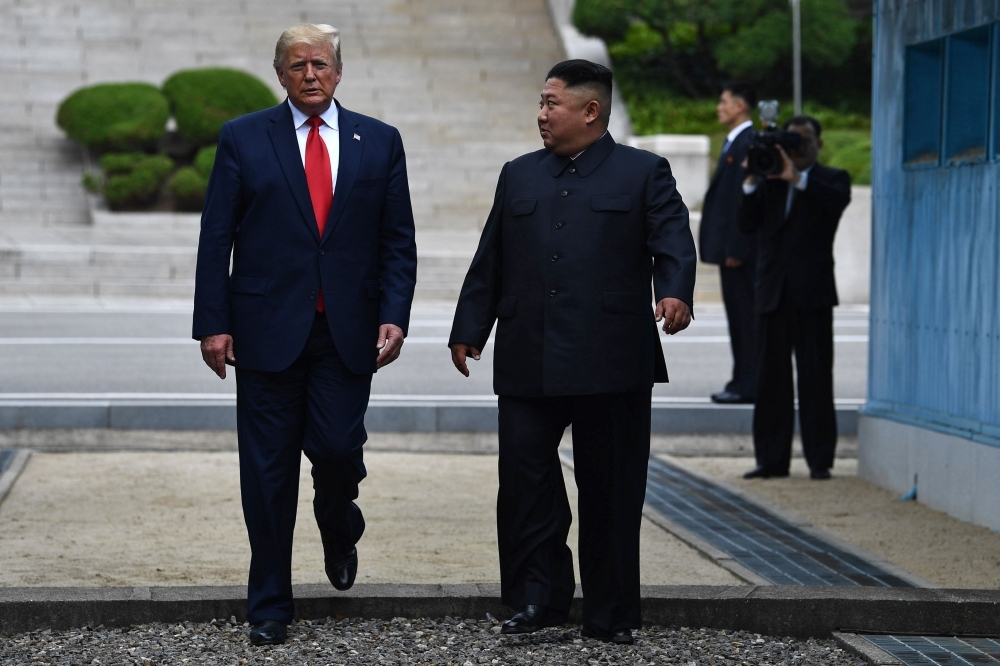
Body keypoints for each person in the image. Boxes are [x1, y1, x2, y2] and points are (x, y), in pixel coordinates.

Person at [448, 60, 696, 645]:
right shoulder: (519, 175)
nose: (540, 114)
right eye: (539, 102)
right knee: (526, 483)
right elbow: (491, 258)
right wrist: (469, 327)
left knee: (611, 489)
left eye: (551, 104)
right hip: (528, 356)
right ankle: (539, 599)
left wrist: (676, 292)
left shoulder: (642, 173)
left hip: (609, 360)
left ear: (590, 111)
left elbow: (673, 237)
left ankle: (610, 613)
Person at [192, 23, 417, 645]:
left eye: (320, 63)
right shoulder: (243, 138)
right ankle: (269, 602)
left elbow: (397, 239)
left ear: (339, 71)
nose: (310, 74)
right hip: (264, 331)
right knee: (266, 474)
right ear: (280, 74)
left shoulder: (379, 141)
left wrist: (395, 312)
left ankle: (337, 518)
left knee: (340, 450)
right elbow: (218, 237)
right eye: (297, 66)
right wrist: (212, 322)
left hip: (347, 331)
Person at [739, 115, 850, 480]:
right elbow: (744, 223)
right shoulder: (769, 179)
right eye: (793, 140)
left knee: (816, 377)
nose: (799, 147)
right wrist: (753, 178)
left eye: (805, 140)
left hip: (812, 293)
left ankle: (820, 461)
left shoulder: (831, 179)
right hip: (772, 291)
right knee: (770, 379)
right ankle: (771, 459)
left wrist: (797, 178)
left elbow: (833, 203)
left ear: (819, 143)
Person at [700, 83, 759, 404]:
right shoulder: (735, 142)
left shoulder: (748, 142)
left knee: (745, 320)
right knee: (739, 319)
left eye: (724, 102)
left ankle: (746, 383)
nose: (719, 107)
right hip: (731, 251)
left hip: (740, 253)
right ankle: (743, 379)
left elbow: (743, 200)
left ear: (739, 106)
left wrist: (736, 248)